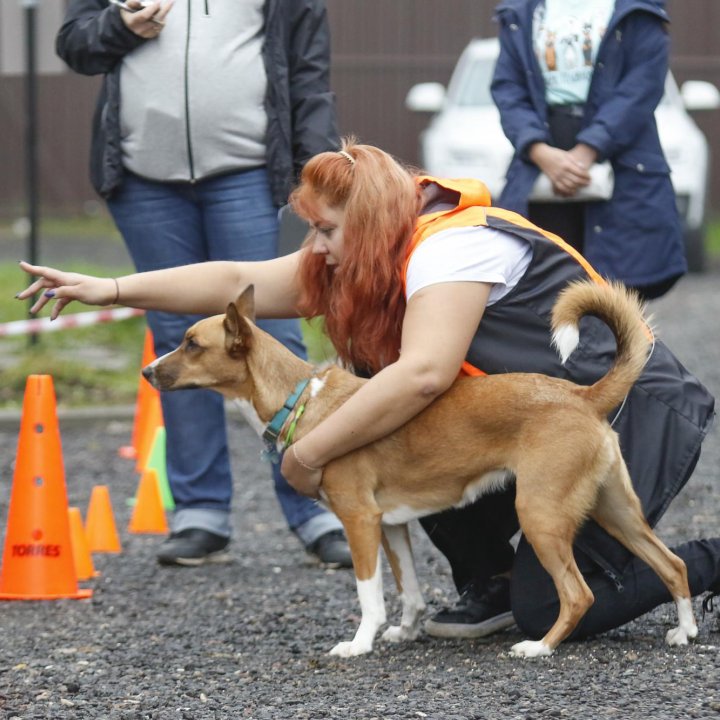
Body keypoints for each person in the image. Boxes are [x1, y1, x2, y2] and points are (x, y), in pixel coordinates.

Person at [18, 139, 718, 644]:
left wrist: (304, 455)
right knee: (400, 444)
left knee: (552, 608)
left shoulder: (453, 247)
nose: (315, 247)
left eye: (324, 229)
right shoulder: (363, 252)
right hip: (521, 423)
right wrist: (107, 288)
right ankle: (495, 579)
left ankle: (703, 563)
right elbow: (235, 279)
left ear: (374, 219)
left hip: (626, 408)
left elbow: (423, 376)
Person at [54, 0, 352, 568]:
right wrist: (120, 26)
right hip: (143, 180)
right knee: (176, 334)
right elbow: (75, 44)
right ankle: (201, 513)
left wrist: (320, 176)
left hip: (244, 172)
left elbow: (309, 75)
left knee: (269, 329)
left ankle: (313, 502)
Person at [491, 0, 686, 300]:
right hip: (541, 166)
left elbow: (641, 87)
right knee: (543, 294)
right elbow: (508, 88)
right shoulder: (520, 12)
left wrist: (589, 149)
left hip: (624, 165)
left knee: (618, 301)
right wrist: (539, 150)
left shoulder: (639, 9)